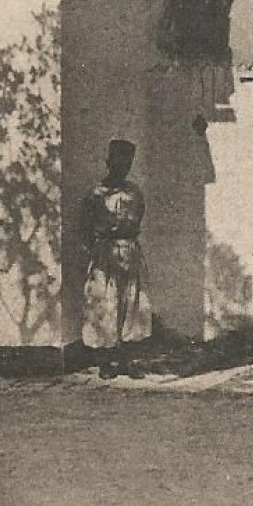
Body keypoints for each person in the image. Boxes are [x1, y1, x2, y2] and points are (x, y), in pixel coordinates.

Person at [80, 139, 151, 378]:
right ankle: (105, 361)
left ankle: (127, 359)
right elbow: (85, 226)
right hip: (105, 253)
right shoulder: (97, 194)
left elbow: (138, 217)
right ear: (110, 162)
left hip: (129, 251)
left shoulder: (133, 192)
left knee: (130, 302)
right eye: (119, 161)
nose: (124, 167)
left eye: (128, 162)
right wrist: (99, 248)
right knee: (105, 302)